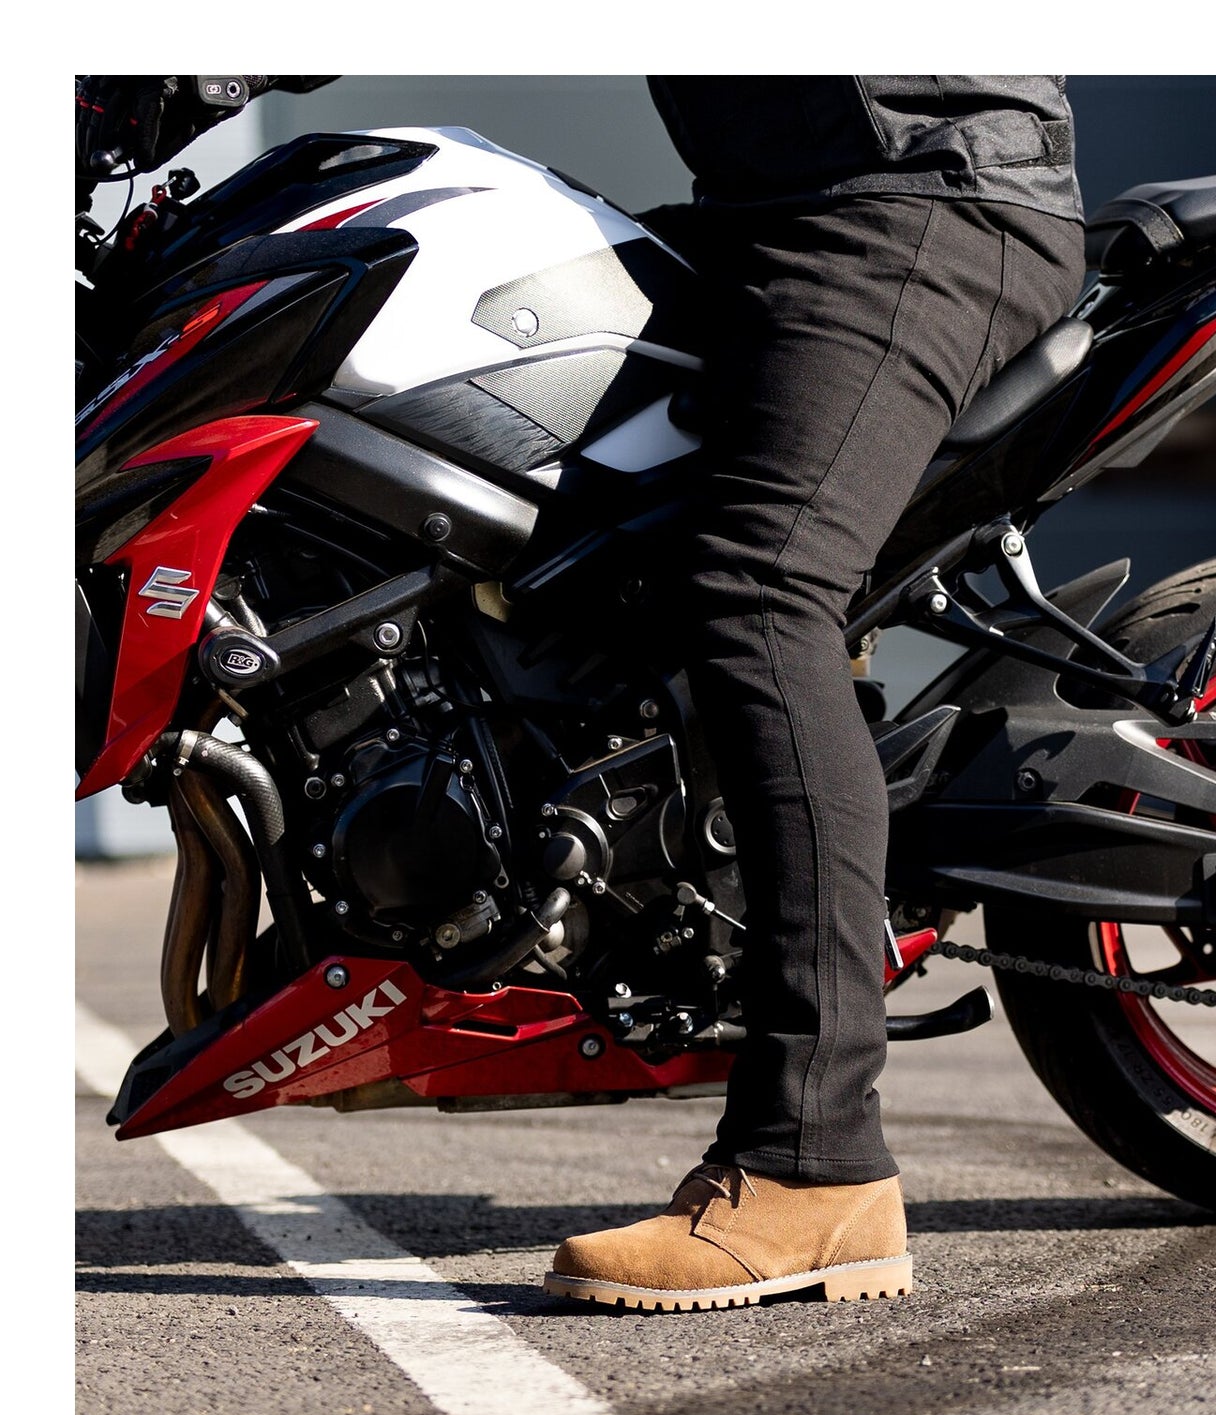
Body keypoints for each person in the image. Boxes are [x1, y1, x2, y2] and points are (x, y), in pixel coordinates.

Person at [76, 75, 1086, 1313]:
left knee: (759, 588)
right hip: (780, 208)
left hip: (921, 200)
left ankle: (816, 1164)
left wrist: (204, 71)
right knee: (523, 483)